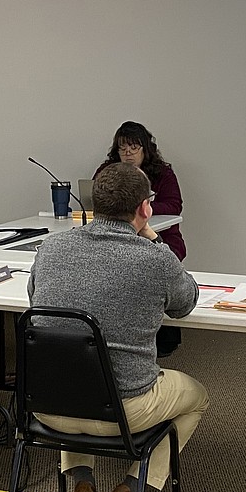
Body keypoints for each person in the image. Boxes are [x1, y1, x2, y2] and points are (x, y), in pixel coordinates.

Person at [28, 161, 209, 492]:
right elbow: (185, 302)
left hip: (47, 406)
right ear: (145, 209)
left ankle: (81, 482)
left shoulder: (51, 248)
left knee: (72, 366)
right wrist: (155, 239)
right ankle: (131, 490)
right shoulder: (154, 259)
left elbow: (37, 304)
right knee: (198, 397)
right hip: (125, 411)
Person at [95, 121, 186, 356]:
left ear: (146, 149)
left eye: (133, 147)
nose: (127, 153)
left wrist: (141, 205)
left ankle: (161, 335)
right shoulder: (107, 172)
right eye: (122, 148)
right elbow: (96, 200)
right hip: (114, 239)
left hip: (160, 236)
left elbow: (174, 206)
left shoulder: (163, 173)